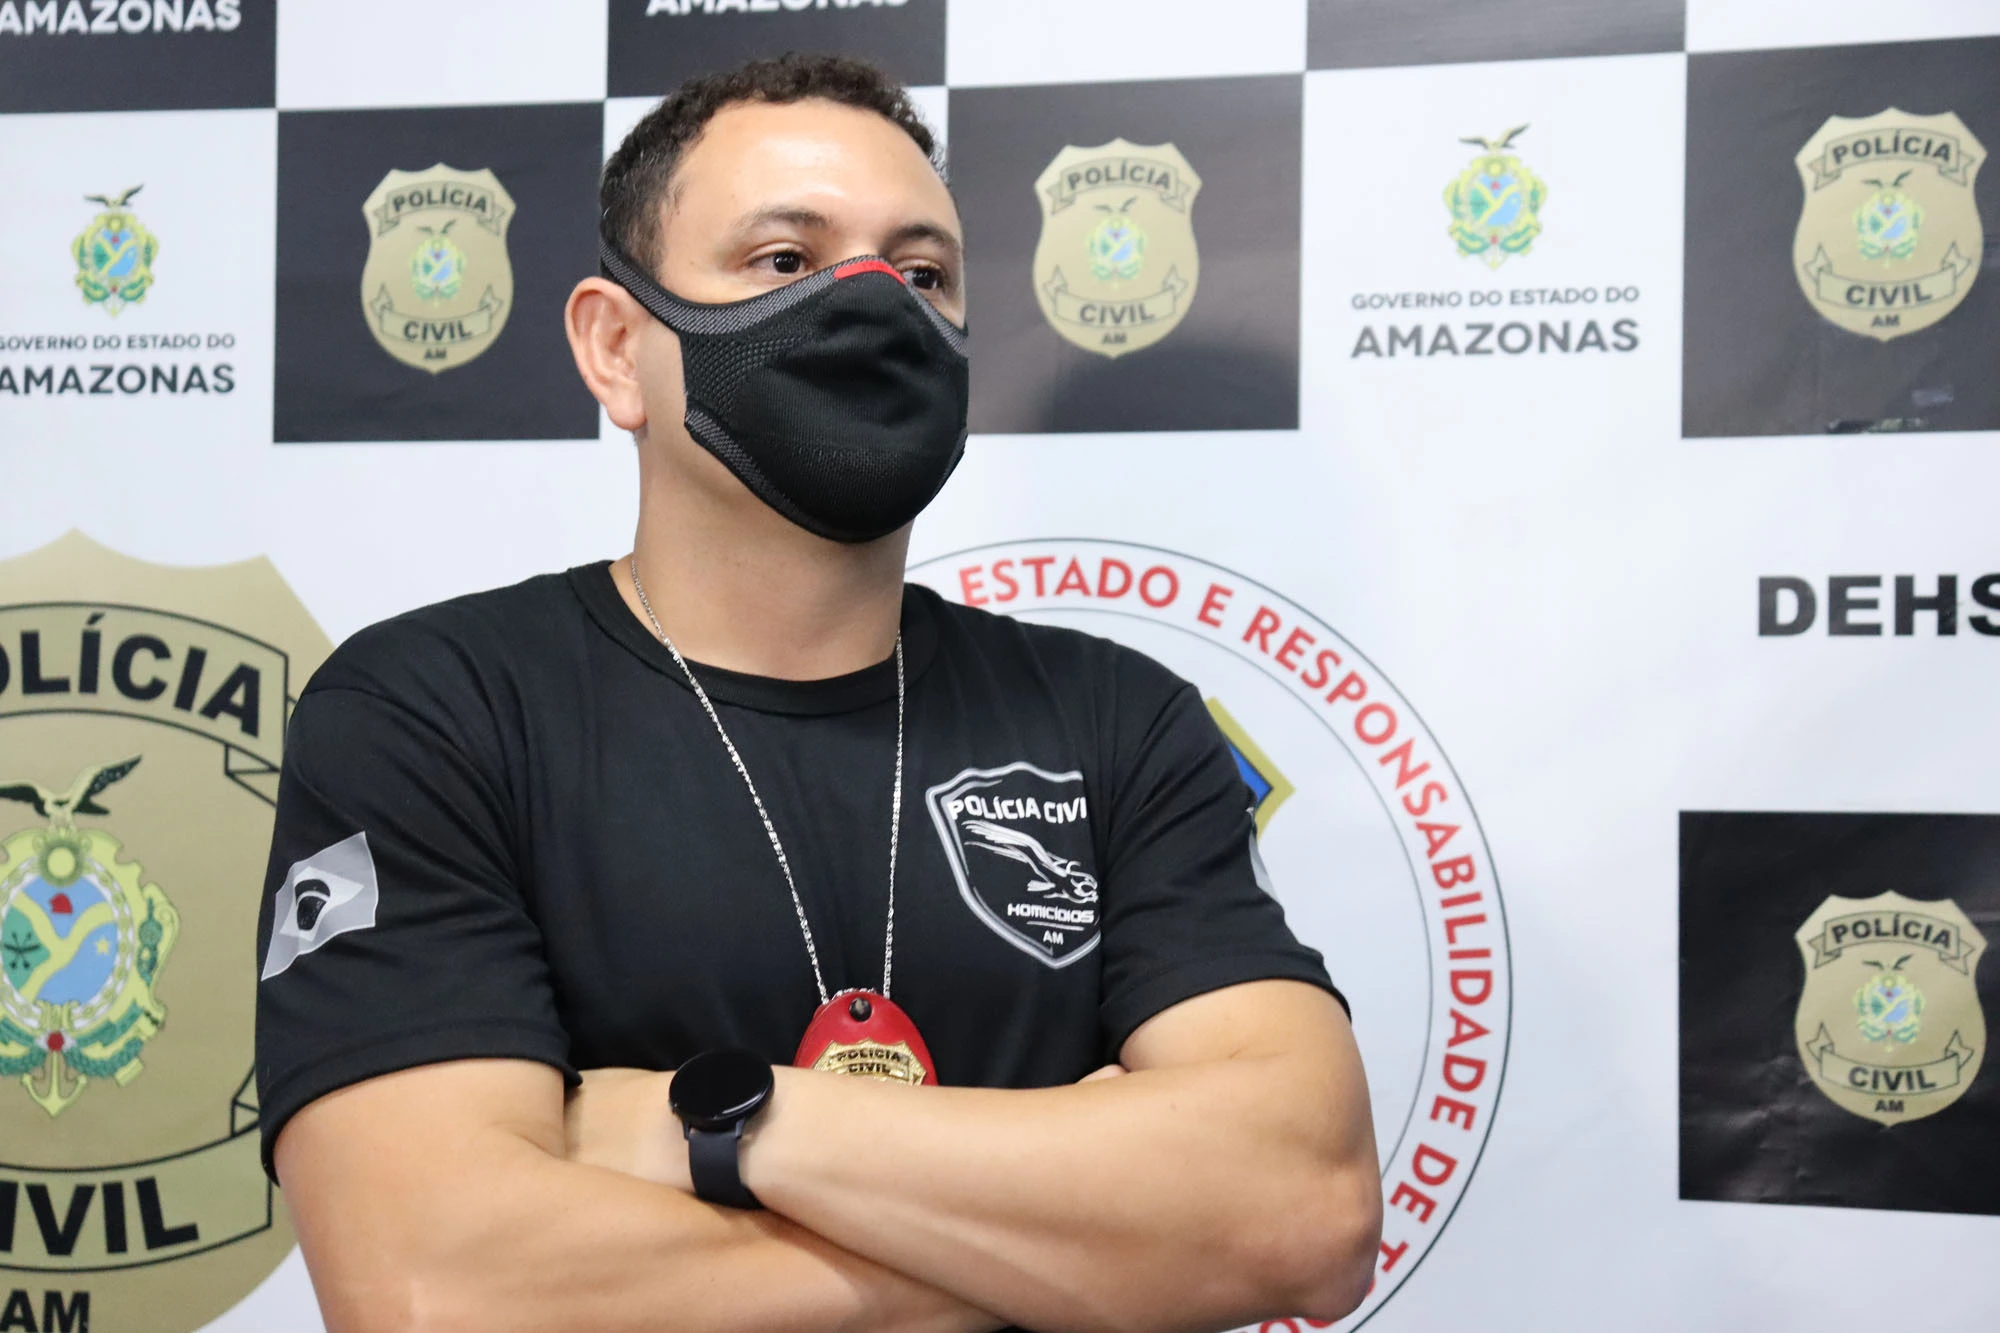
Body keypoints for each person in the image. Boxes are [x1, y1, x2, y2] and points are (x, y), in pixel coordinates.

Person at [254, 52, 1381, 1333]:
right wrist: (1077, 1247)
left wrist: (722, 1126)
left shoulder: (1117, 721)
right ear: (615, 346)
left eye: (921, 275)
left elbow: (1302, 1210)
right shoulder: (434, 712)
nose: (870, 307)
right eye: (784, 262)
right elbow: (442, 1288)